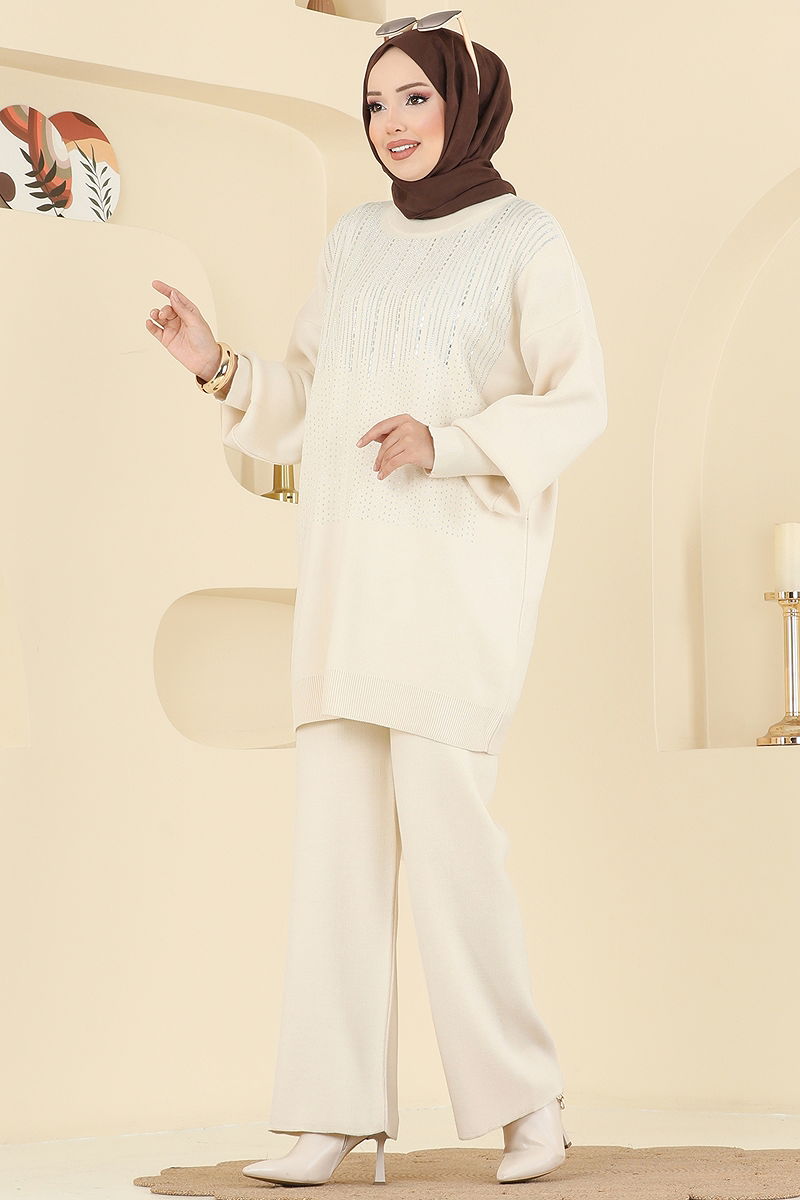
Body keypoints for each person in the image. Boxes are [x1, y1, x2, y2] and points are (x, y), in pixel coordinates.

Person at [145, 19, 607, 1189]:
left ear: (463, 102)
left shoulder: (524, 238)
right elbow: (309, 400)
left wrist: (445, 443)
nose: (390, 123)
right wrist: (215, 365)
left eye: (412, 98)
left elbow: (576, 402)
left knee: (456, 856)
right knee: (333, 861)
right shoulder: (352, 240)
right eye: (372, 104)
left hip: (453, 588)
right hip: (347, 584)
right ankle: (327, 1115)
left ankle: (528, 1103)